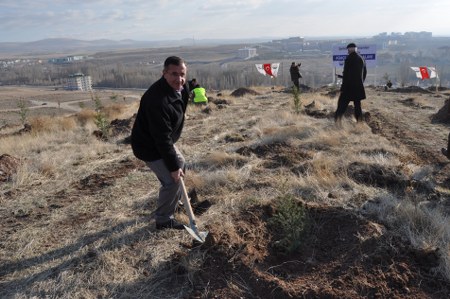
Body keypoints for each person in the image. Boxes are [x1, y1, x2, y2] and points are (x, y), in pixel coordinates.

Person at [131, 56, 190, 230]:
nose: (179, 79)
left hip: (163, 140)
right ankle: (163, 220)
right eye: (173, 74)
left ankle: (176, 202)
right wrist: (172, 168)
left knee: (181, 164)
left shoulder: (181, 87)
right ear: (164, 73)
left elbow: (180, 109)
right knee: (172, 180)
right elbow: (161, 139)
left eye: (182, 74)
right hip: (149, 146)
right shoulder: (157, 100)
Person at [334, 43, 367, 123]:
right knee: (357, 106)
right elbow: (365, 73)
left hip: (348, 88)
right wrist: (360, 82)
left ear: (351, 49)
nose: (347, 51)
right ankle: (360, 123)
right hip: (358, 87)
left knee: (341, 106)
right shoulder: (361, 58)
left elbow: (347, 75)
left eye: (348, 49)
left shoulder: (349, 59)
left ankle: (337, 122)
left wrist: (343, 88)